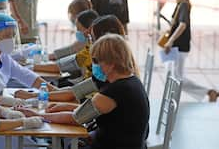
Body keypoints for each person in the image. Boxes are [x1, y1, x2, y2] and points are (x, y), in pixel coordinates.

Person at [17, 34, 149, 149]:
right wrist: (65, 106)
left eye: (96, 61)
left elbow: (75, 118)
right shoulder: (131, 81)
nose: (93, 65)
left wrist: (37, 116)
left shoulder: (114, 91)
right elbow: (91, 109)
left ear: (111, 64)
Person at [15, 15, 139, 103]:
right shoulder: (117, 71)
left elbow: (78, 111)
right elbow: (75, 90)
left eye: (91, 37)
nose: (88, 39)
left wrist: (39, 96)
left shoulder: (110, 80)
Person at [0, 13, 57, 104]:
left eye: (13, 35)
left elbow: (26, 75)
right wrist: (9, 101)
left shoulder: (3, 57)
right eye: (7, 35)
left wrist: (54, 90)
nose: (11, 39)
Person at [164, 0, 218, 102]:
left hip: (179, 46)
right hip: (173, 47)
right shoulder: (179, 5)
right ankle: (207, 92)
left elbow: (182, 25)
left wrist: (170, 40)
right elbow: (176, 25)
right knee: (172, 75)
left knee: (176, 77)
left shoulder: (183, 5)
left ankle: (208, 92)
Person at [33, 10, 99, 81]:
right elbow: (70, 62)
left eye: (79, 29)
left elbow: (64, 62)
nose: (85, 33)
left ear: (90, 29)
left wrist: (32, 67)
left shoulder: (93, 49)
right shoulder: (89, 48)